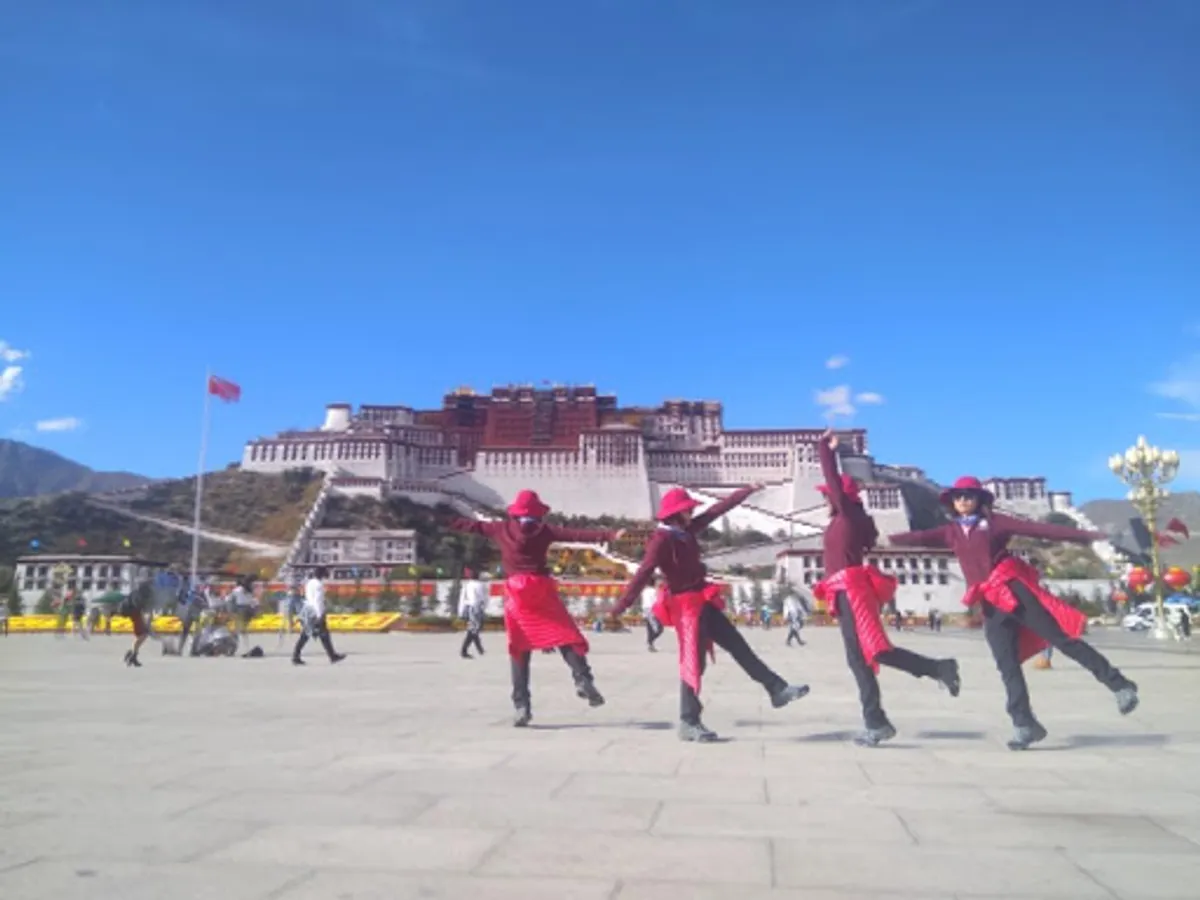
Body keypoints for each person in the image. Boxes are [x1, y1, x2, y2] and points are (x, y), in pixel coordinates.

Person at [890, 475, 1138, 751]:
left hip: (1015, 592)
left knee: (1062, 640)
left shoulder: (996, 523)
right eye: (958, 496)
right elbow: (919, 537)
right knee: (1006, 665)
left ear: (979, 499)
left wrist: (1089, 536)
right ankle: (1024, 723)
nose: (963, 500)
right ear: (952, 501)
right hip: (990, 603)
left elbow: (1040, 530)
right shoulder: (952, 531)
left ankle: (1120, 685)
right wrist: (885, 538)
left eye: (969, 495)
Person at [612, 484, 810, 743]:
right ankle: (688, 721)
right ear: (676, 513)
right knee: (694, 662)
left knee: (738, 646)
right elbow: (643, 573)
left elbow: (717, 510)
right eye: (687, 510)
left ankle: (777, 689)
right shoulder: (661, 540)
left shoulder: (685, 530)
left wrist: (746, 491)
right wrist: (621, 606)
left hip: (703, 600)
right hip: (685, 606)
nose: (692, 513)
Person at [814, 430, 960, 747]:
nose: (824, 500)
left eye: (827, 496)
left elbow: (833, 480)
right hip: (845, 592)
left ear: (839, 498)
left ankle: (935, 670)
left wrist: (825, 448)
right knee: (860, 658)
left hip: (852, 591)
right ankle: (877, 720)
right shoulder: (845, 520)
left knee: (873, 652)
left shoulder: (848, 515)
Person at [451, 490, 622, 727]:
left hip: (517, 593)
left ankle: (522, 705)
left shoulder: (501, 529)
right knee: (564, 635)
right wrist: (609, 534)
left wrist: (444, 520)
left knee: (520, 647)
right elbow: (575, 534)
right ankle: (582, 678)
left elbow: (473, 526)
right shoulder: (544, 531)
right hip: (542, 590)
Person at [293, 567, 346, 665]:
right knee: (315, 635)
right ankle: (332, 656)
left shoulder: (309, 583)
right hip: (315, 612)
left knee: (311, 634)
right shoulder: (319, 585)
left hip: (308, 610)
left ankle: (331, 655)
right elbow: (318, 601)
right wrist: (319, 615)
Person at [459, 568, 487, 658]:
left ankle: (478, 649)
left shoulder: (467, 585)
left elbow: (462, 598)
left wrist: (461, 611)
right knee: (474, 629)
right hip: (476, 608)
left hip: (468, 608)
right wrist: (484, 608)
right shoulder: (480, 585)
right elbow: (483, 598)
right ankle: (467, 650)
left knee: (472, 629)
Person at [120, 591, 150, 668]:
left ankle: (131, 655)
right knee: (142, 636)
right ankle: (132, 656)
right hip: (137, 617)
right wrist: (145, 622)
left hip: (135, 616)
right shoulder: (141, 596)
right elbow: (141, 610)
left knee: (141, 637)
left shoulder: (136, 595)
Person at [278, 579, 302, 646]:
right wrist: (294, 587)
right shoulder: (289, 577)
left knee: (300, 616)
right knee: (286, 619)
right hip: (290, 598)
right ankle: (281, 639)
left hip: (297, 598)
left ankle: (290, 636)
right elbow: (288, 586)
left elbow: (298, 587)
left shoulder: (298, 577)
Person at [643, 581, 665, 652]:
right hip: (652, 609)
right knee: (658, 629)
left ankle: (651, 645)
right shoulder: (654, 591)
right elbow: (658, 600)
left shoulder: (645, 591)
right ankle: (650, 641)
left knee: (650, 628)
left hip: (646, 609)